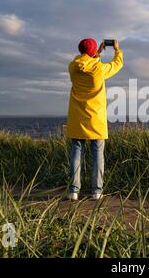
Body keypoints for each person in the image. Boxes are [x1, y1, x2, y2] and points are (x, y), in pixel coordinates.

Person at [65, 38, 123, 201]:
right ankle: (97, 191)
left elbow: (86, 63)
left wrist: (96, 53)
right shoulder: (98, 69)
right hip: (96, 118)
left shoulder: (72, 66)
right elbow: (116, 65)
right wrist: (117, 50)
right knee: (98, 154)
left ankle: (73, 191)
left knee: (76, 152)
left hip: (78, 117)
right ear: (92, 53)